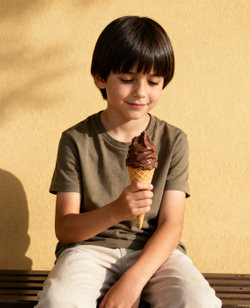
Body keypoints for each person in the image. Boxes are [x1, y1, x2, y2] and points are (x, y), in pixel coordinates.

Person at [35, 16, 221, 308]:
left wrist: (132, 281)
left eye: (153, 81)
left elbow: (171, 225)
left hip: (155, 254)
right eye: (126, 79)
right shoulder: (77, 140)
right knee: (59, 301)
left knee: (199, 302)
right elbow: (66, 229)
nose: (141, 92)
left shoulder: (173, 140)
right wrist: (117, 211)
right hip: (88, 252)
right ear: (100, 77)